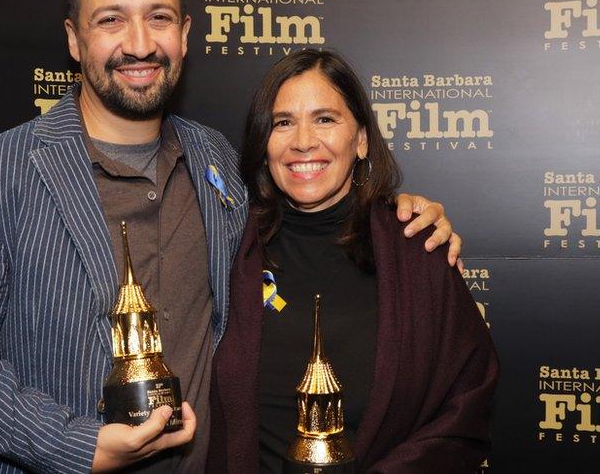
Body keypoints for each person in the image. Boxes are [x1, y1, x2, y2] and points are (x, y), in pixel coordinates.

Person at [0, 0, 461, 473]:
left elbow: (310, 211)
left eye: (159, 17)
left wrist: (393, 214)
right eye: (111, 19)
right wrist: (79, 447)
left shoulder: (214, 159)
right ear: (74, 38)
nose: (141, 43)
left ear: (186, 32)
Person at [210, 50, 499, 473]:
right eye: (283, 122)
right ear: (263, 142)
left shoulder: (417, 251)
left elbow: (467, 405)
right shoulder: (228, 246)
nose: (303, 140)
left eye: (325, 119)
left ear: (361, 139)